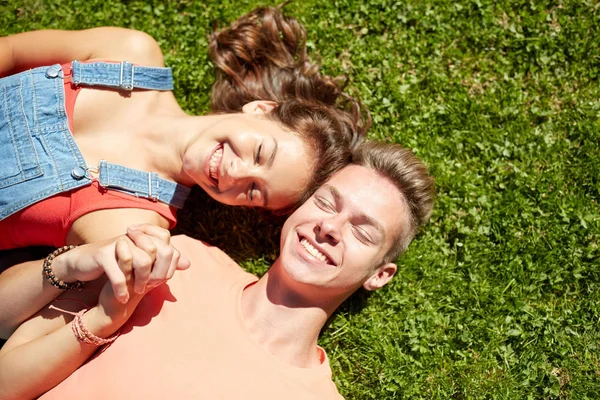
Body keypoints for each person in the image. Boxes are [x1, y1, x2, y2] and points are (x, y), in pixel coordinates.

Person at [0, 6, 368, 334]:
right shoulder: (131, 54)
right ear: (259, 109)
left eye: (254, 191)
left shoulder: (131, 223)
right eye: (258, 152)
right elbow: (12, 51)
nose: (235, 173)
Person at [0, 141, 435, 399]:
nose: (330, 228)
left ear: (380, 275)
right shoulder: (178, 262)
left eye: (362, 232)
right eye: (326, 202)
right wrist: (84, 278)